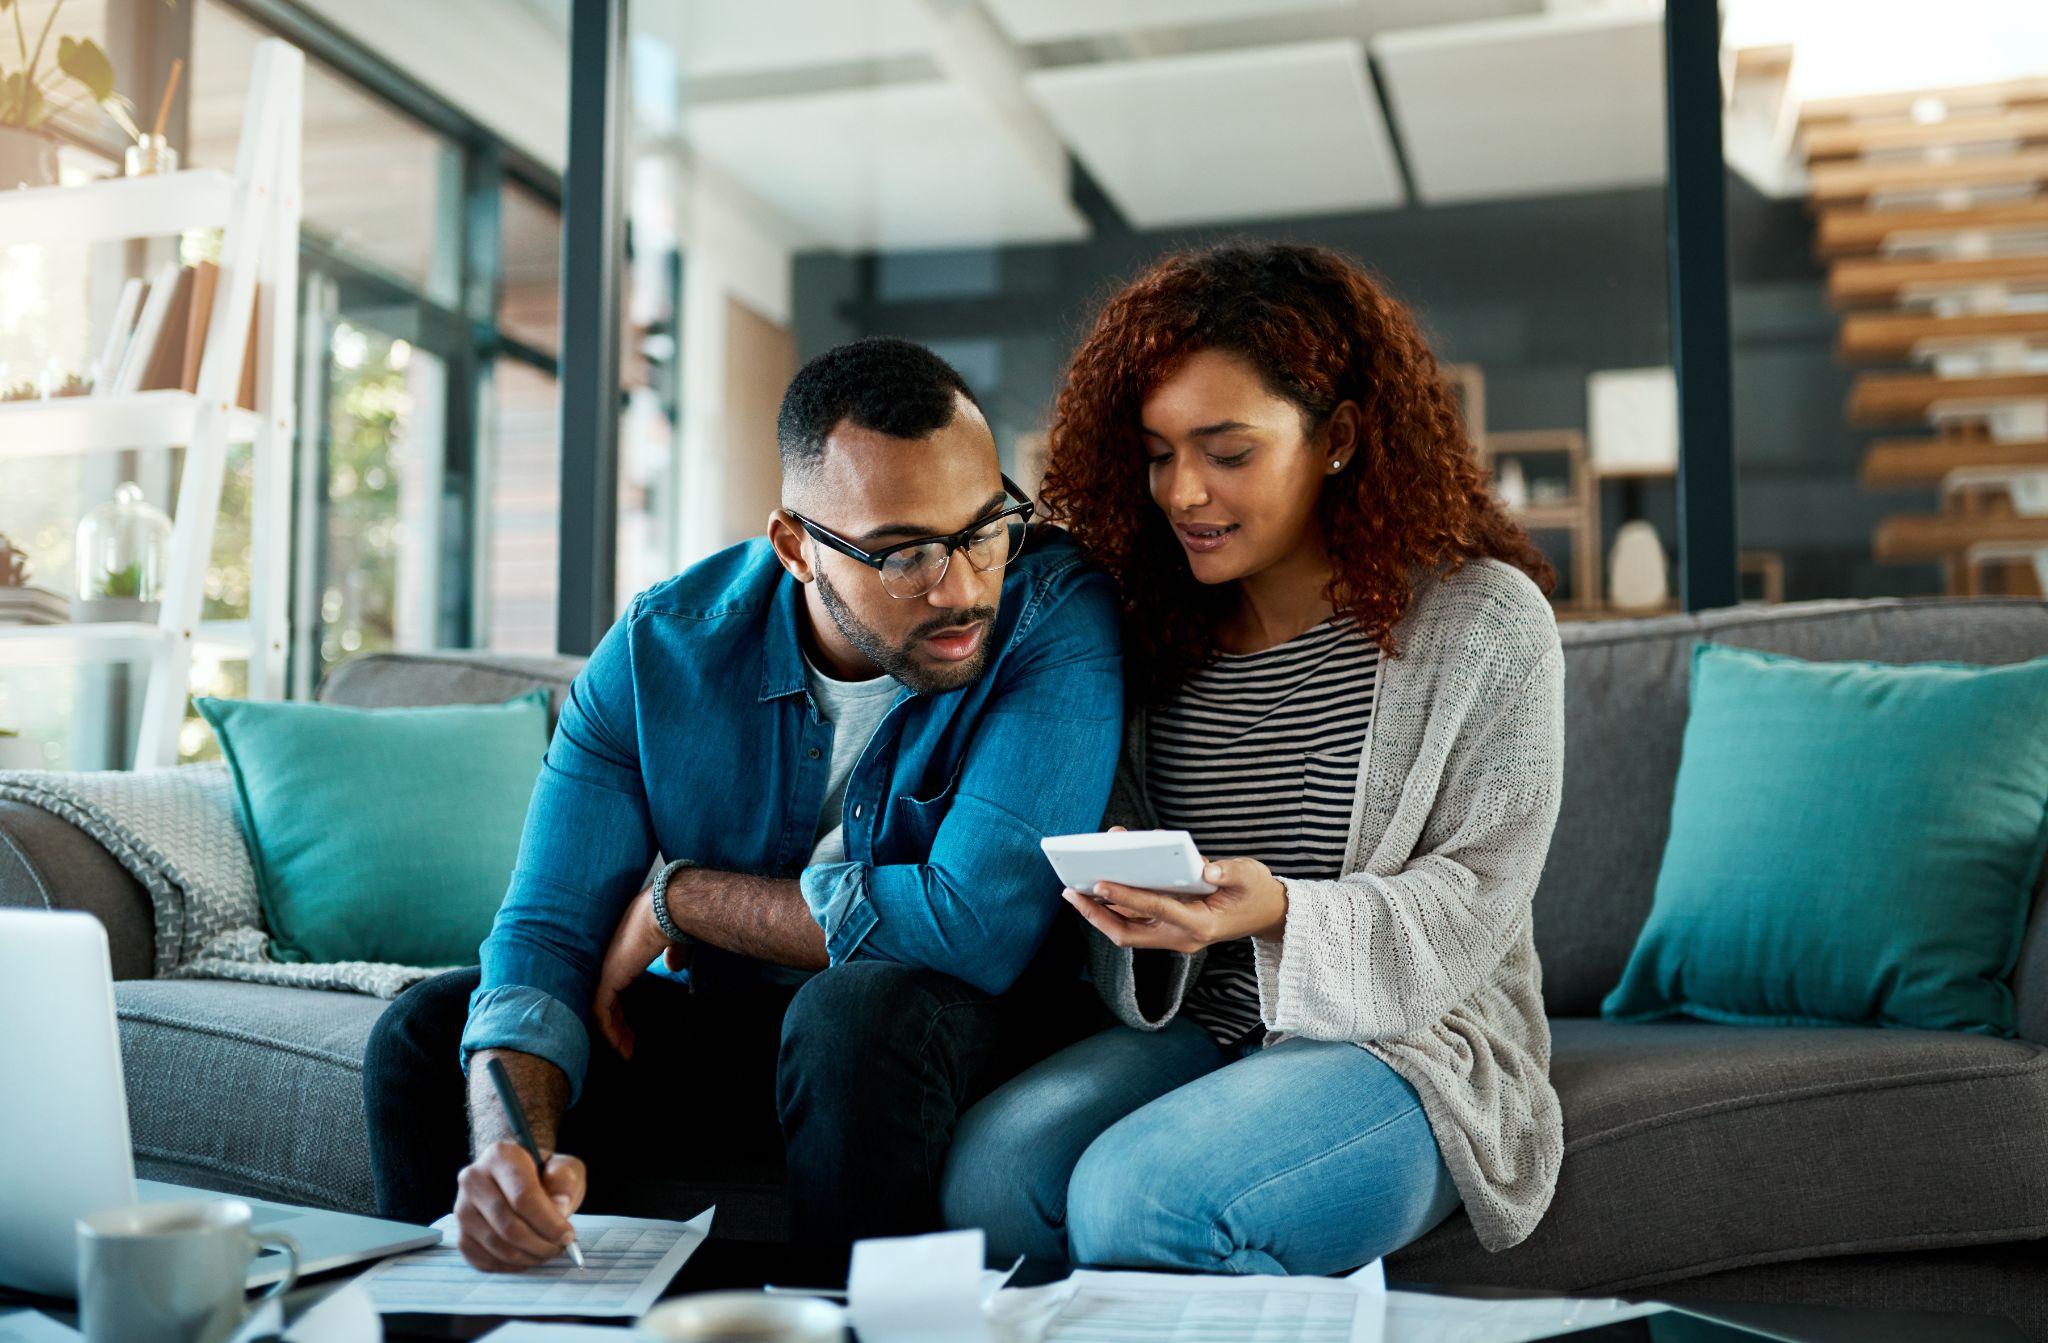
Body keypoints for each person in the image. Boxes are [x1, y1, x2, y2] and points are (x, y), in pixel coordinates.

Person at [364, 337, 1122, 1271]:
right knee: (428, 1033)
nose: (963, 587)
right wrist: (511, 1152)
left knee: (852, 1016)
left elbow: (975, 922)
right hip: (742, 1028)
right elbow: (546, 933)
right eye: (903, 554)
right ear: (797, 547)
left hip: (952, 1031)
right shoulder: (660, 653)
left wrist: (686, 899)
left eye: (982, 527)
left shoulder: (1052, 614)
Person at [941, 243, 1567, 1275]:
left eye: (1226, 450)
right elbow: (1136, 940)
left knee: (1140, 1199)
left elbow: (1471, 901)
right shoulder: (1146, 635)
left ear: (1338, 438)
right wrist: (1126, 898)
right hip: (1207, 1024)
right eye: (1155, 453)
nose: (1182, 491)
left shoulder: (1481, 625)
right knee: (992, 1178)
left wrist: (1275, 907)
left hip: (1408, 1047)